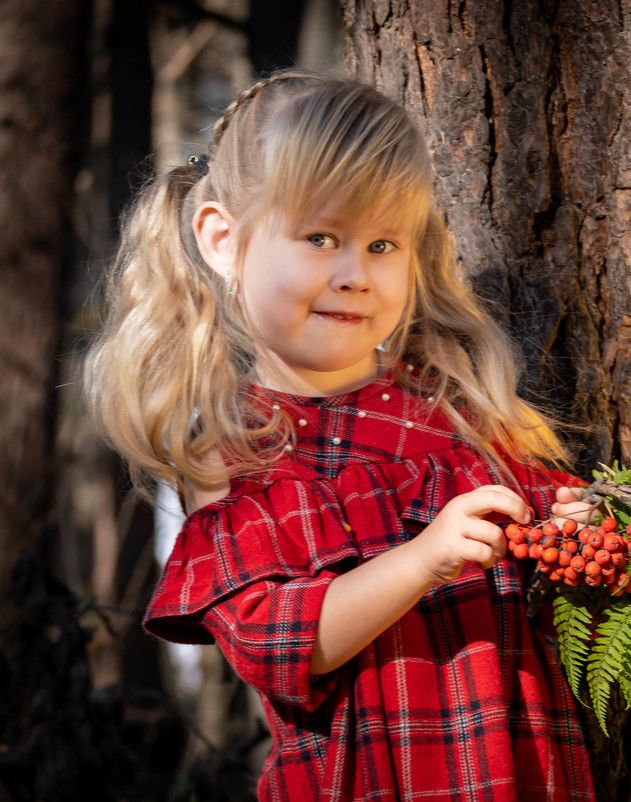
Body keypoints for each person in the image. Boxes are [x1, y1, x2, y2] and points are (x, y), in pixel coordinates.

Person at [84, 69, 597, 801]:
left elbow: (556, 555)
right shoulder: (236, 450)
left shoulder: (458, 410)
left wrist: (579, 531)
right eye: (321, 237)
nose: (356, 274)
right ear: (224, 241)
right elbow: (276, 644)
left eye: (384, 244)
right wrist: (424, 559)